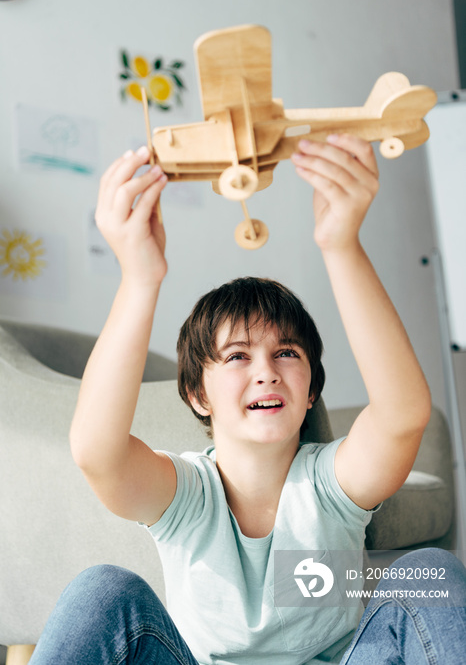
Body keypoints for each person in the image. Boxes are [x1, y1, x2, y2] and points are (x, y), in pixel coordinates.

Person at [30, 136, 466, 664]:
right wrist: (140, 276)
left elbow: (402, 416)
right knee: (101, 591)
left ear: (310, 394)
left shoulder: (330, 487)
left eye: (286, 354)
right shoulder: (187, 496)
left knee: (431, 574)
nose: (266, 372)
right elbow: (98, 453)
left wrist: (340, 243)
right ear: (198, 394)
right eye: (237, 357)